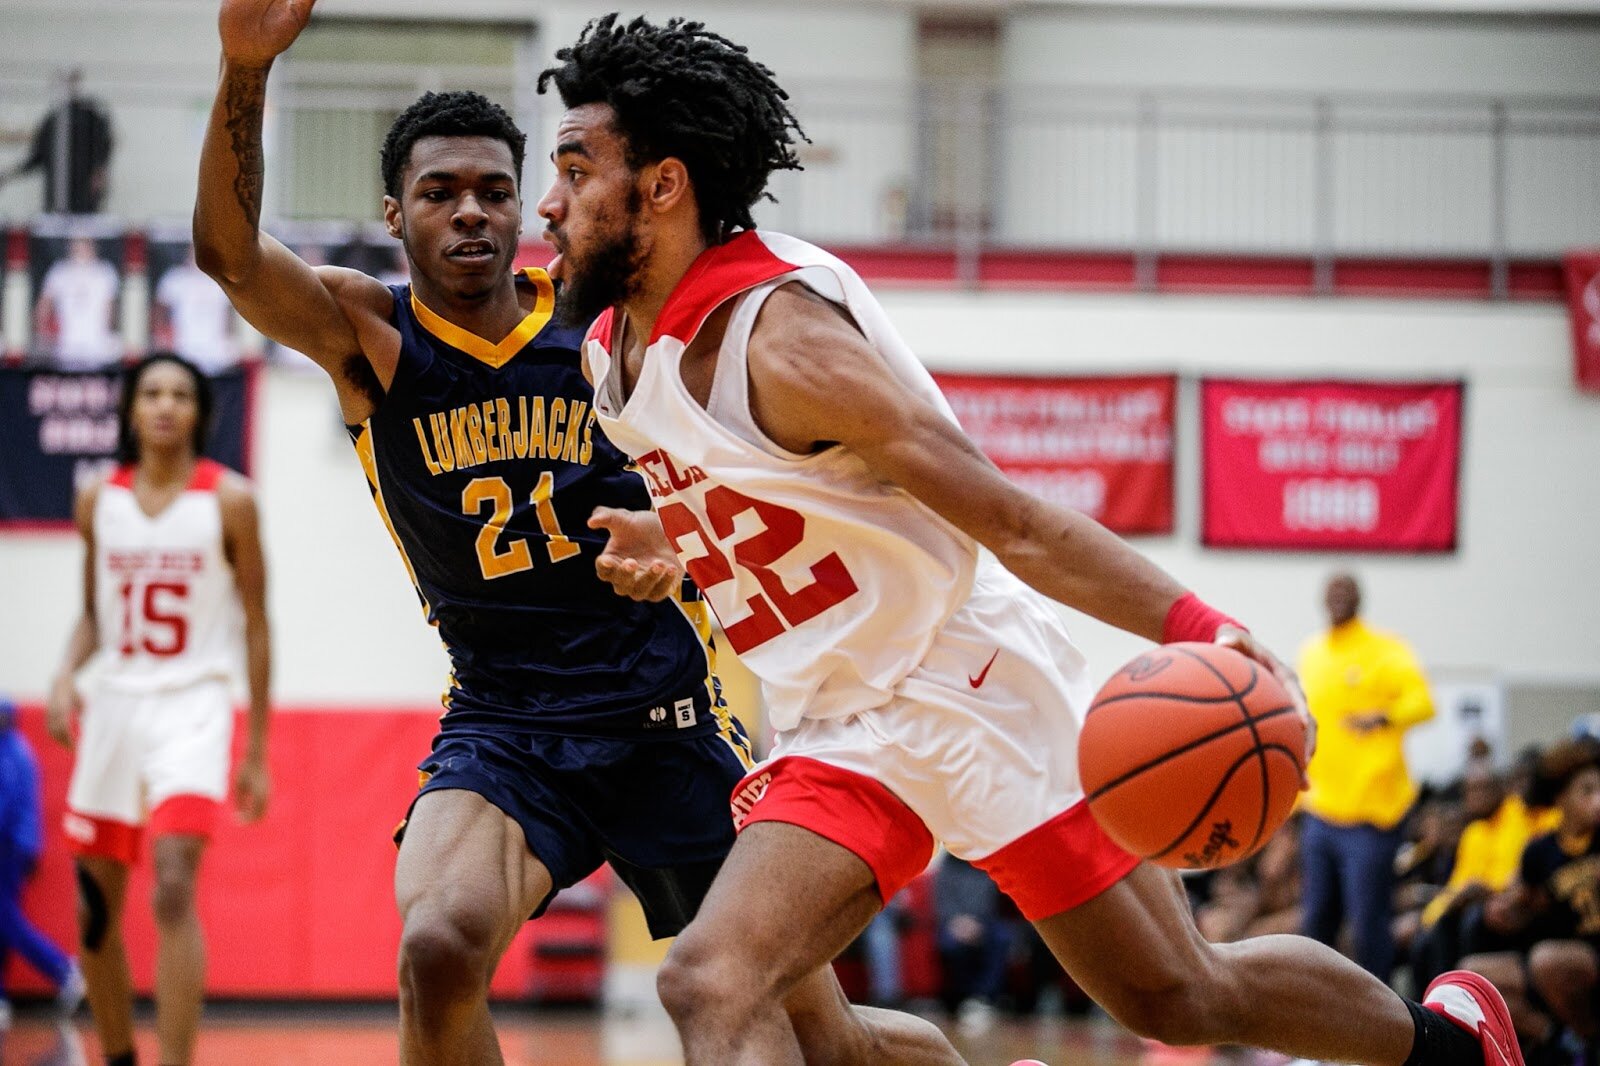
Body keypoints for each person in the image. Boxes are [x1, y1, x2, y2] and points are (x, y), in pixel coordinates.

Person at [535, 14, 1524, 1066]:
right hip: (840, 718)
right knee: (720, 983)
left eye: (573, 168)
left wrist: (1201, 624)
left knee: (1177, 994)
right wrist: (680, 537)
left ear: (662, 186)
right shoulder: (614, 347)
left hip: (969, 686)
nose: (549, 202)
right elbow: (783, 500)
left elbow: (1011, 521)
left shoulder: (784, 341)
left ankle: (1451, 1046)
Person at [191, 4, 963, 1065]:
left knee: (815, 1035)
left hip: (666, 715)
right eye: (439, 194)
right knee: (437, 947)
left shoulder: (602, 317)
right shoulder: (371, 338)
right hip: (505, 722)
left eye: (494, 192)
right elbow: (229, 258)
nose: (471, 214)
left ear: (525, 207)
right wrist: (243, 72)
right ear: (393, 214)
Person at [45, 352, 272, 1066]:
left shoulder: (229, 500)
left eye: (180, 393)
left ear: (200, 412)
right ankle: (117, 1055)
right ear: (131, 411)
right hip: (113, 706)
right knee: (93, 914)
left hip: (193, 705)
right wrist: (62, 676)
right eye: (152, 393)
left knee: (174, 881)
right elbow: (93, 612)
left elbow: (258, 625)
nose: (166, 405)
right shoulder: (98, 500)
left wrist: (258, 749)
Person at [1298, 572, 1436, 980]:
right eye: (1332, 590)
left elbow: (1424, 703)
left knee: (1367, 922)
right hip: (1320, 811)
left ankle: (1383, 1021)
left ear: (1360, 598)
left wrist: (1385, 716)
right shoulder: (1312, 653)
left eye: (1347, 591)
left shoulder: (1386, 650)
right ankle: (1310, 1015)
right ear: (1323, 599)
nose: (1338, 597)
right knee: (1317, 919)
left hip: (1371, 817)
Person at [1462, 739, 1600, 1062]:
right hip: (1555, 954)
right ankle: (1561, 1041)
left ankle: (1591, 1040)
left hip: (1588, 953)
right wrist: (1506, 911)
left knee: (1546, 959)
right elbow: (1520, 905)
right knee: (1472, 980)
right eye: (1587, 791)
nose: (1597, 800)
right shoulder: (1539, 851)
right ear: (1561, 798)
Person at [0, 697, 86, 1031]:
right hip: (19, 846)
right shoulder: (19, 749)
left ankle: (62, 969)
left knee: (7, 919)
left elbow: (5, 809)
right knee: (4, 921)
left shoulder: (9, 753)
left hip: (8, 846)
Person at [0, 70, 114, 215]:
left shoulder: (91, 117)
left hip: (84, 199)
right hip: (56, 201)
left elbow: (104, 146)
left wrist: (99, 172)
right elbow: (37, 157)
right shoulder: (52, 121)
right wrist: (9, 174)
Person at [33, 237, 120, 369]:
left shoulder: (105, 271)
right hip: (66, 343)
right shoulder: (59, 271)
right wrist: (42, 333)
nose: (81, 249)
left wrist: (108, 332)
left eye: (85, 244)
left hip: (97, 343)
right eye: (77, 244)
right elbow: (44, 306)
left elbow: (110, 309)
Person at [154, 249, 240, 373]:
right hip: (182, 347)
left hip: (215, 351)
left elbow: (230, 315)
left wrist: (229, 340)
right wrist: (163, 339)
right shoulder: (175, 278)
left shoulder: (223, 280)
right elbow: (160, 312)